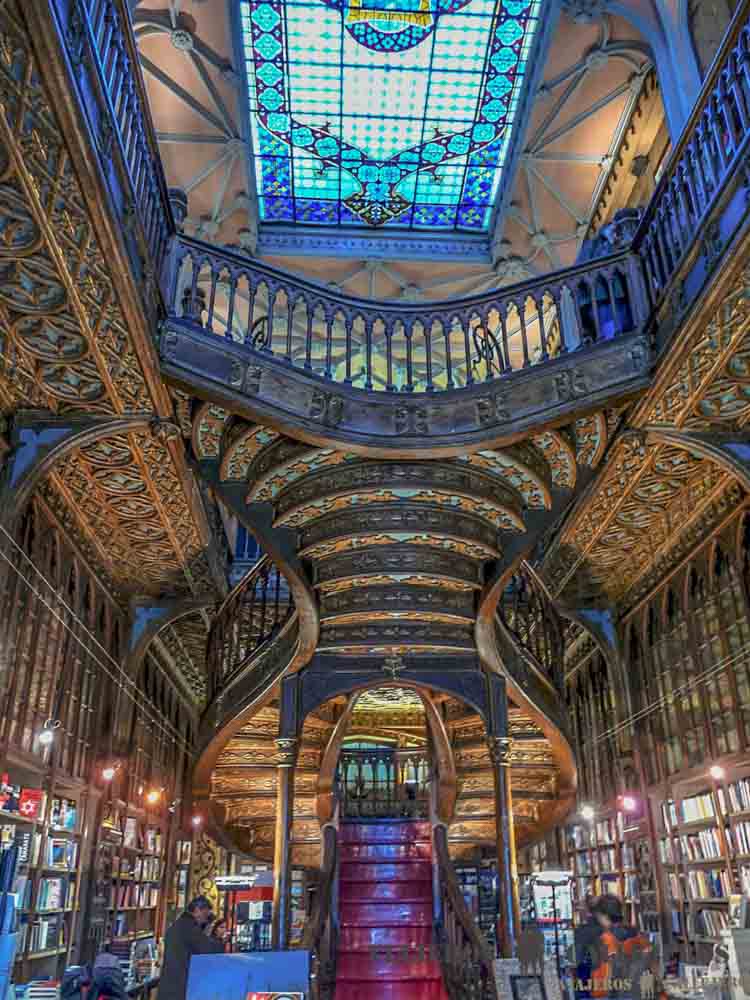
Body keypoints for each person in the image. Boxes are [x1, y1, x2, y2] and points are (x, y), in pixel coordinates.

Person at [157, 896, 223, 1000]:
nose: (205, 920)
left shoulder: (178, 924)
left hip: (169, 984)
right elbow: (210, 950)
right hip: (179, 987)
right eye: (205, 915)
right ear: (197, 910)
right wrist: (218, 939)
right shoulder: (189, 928)